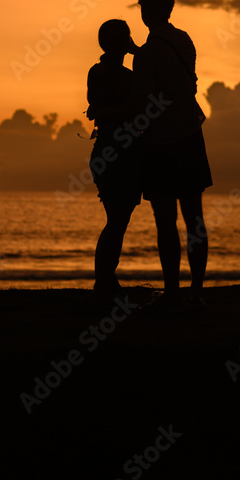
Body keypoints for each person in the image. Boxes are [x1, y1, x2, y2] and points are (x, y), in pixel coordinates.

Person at [131, 0, 212, 309]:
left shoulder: (149, 51)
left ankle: (172, 293)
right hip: (190, 136)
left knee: (166, 221)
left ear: (146, 10)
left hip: (162, 142)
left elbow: (142, 98)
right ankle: (196, 292)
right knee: (195, 217)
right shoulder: (183, 40)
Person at [86, 19, 143, 306]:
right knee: (116, 224)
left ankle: (108, 285)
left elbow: (99, 109)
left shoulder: (95, 72)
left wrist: (102, 111)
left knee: (115, 222)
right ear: (125, 42)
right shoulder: (128, 78)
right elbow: (133, 107)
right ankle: (103, 289)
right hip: (121, 155)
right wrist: (137, 51)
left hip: (104, 152)